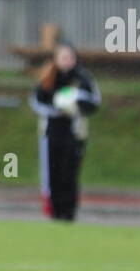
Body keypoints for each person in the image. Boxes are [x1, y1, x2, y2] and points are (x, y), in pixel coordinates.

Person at [29, 41, 101, 221]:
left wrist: (75, 106)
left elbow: (94, 102)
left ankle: (69, 212)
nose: (66, 60)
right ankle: (54, 211)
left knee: (69, 173)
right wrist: (56, 110)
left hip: (74, 132)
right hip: (51, 132)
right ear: (55, 59)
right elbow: (37, 102)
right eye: (62, 57)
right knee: (52, 172)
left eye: (70, 57)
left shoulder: (83, 78)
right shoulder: (48, 78)